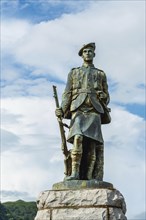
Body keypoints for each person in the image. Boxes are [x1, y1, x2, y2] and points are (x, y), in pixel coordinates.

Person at [56, 43, 111, 181]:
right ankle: (74, 173)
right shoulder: (74, 72)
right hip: (78, 108)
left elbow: (107, 95)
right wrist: (62, 109)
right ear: (81, 55)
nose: (88, 53)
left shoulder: (100, 74)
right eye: (85, 51)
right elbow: (67, 93)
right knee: (78, 138)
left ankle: (89, 176)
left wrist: (105, 97)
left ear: (94, 54)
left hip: (94, 109)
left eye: (90, 51)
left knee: (92, 143)